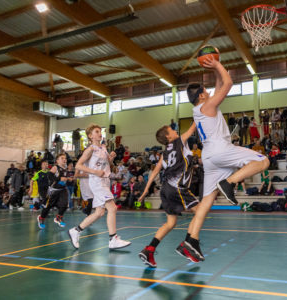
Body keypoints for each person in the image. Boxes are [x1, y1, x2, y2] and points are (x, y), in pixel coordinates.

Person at [181, 58, 269, 261]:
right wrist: (217, 66)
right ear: (202, 95)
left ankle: (190, 240)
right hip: (221, 150)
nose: (210, 92)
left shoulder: (199, 110)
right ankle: (228, 183)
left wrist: (215, 69)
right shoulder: (208, 105)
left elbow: (220, 84)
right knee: (263, 161)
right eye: (207, 91)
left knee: (206, 201)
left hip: (209, 157)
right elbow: (228, 84)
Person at [137, 123, 199, 266]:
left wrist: (146, 189)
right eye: (172, 130)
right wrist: (202, 107)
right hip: (176, 187)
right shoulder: (180, 141)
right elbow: (193, 127)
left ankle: (149, 250)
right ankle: (187, 245)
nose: (175, 130)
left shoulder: (164, 154)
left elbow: (155, 171)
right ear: (168, 136)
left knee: (171, 223)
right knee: (200, 211)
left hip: (166, 189)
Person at [68, 124, 131, 250]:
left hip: (105, 181)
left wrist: (111, 159)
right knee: (112, 208)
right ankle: (113, 239)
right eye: (97, 131)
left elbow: (109, 166)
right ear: (90, 136)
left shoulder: (103, 147)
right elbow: (78, 166)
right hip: (97, 181)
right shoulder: (90, 149)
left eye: (100, 131)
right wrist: (95, 172)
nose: (100, 133)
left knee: (99, 212)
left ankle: (76, 230)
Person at [37, 154, 71, 229]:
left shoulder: (65, 168)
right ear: (57, 160)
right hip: (53, 190)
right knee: (47, 207)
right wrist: (59, 179)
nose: (64, 159)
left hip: (62, 189)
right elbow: (49, 175)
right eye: (62, 158)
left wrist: (68, 179)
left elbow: (64, 178)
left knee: (64, 204)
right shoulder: (55, 167)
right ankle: (41, 218)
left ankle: (58, 217)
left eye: (65, 158)